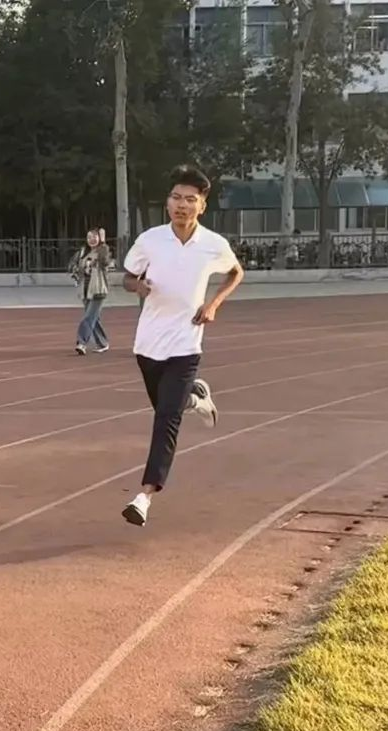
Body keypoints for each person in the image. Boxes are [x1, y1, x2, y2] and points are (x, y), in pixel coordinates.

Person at [119, 165, 244, 527]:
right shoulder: (151, 240)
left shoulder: (213, 245)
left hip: (186, 344)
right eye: (176, 197)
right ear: (167, 202)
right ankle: (196, 399)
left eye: (190, 199)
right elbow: (127, 277)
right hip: (148, 345)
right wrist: (138, 287)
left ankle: (144, 497)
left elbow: (236, 272)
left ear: (202, 206)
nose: (181, 205)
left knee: (166, 420)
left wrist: (213, 304)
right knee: (167, 407)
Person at [69, 228, 113, 355]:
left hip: (98, 289)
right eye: (89, 237)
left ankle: (82, 342)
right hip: (85, 290)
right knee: (93, 318)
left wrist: (103, 243)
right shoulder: (84, 252)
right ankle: (103, 343)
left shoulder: (103, 251)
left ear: (99, 238)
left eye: (94, 237)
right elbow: (75, 266)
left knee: (88, 317)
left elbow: (105, 261)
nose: (92, 240)